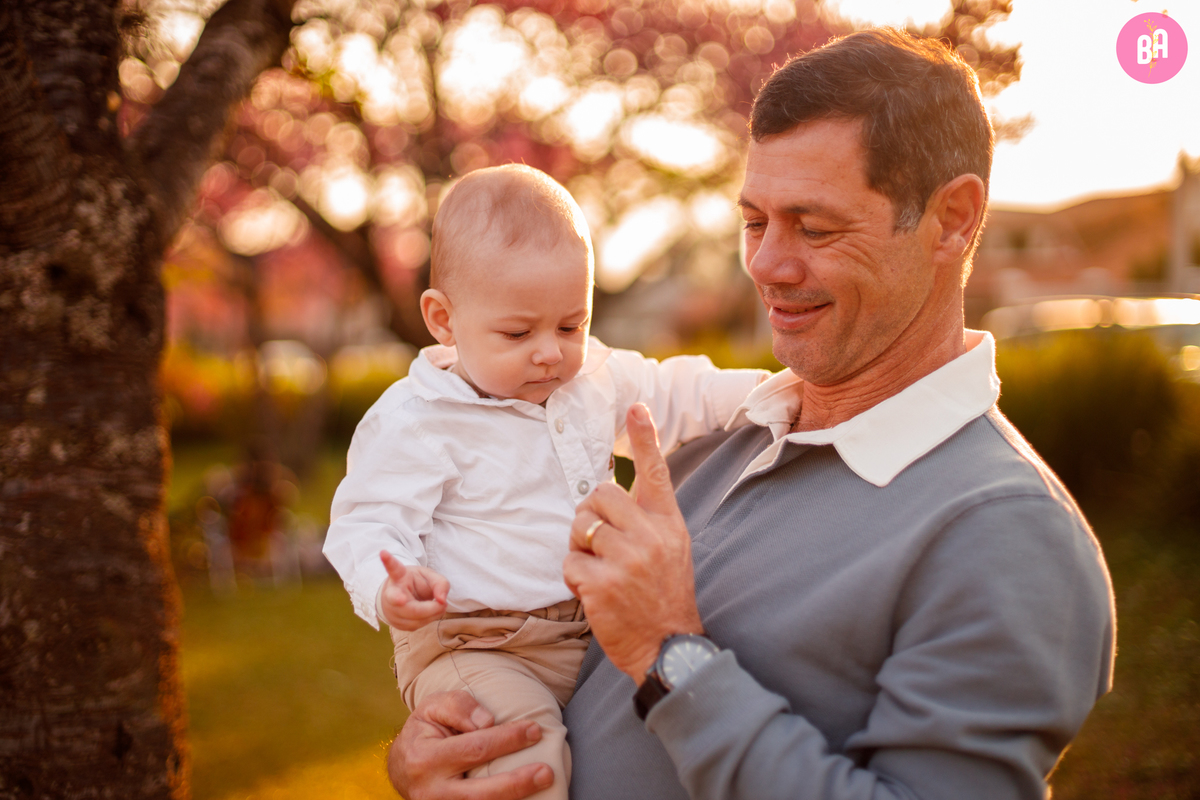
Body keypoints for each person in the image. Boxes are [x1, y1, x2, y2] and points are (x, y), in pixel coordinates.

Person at [385, 28, 1117, 800]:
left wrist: (671, 653)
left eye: (816, 226)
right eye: (755, 221)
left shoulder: (1006, 532)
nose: (767, 264)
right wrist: (434, 757)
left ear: (953, 220)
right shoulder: (717, 441)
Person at [322, 164, 767, 800]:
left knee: (666, 730)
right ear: (443, 320)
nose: (550, 353)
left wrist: (773, 393)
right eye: (517, 332)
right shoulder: (418, 418)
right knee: (527, 761)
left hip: (584, 628)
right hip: (478, 644)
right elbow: (367, 522)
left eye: (570, 325)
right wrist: (387, 585)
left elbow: (677, 392)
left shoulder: (590, 383)